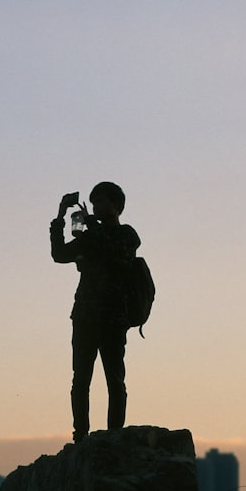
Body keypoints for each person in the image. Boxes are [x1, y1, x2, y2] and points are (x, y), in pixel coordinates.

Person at [50, 181, 141, 443]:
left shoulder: (127, 234)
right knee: (81, 379)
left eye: (100, 201)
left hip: (113, 317)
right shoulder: (90, 236)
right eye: (93, 202)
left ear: (115, 205)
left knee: (114, 379)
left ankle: (114, 435)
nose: (96, 206)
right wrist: (60, 216)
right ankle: (81, 435)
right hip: (85, 316)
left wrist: (92, 225)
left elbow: (118, 254)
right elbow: (59, 254)